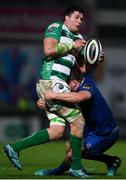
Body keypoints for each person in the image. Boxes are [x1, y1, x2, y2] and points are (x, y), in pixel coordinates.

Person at [3, 6, 89, 178]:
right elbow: (48, 50)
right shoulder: (56, 28)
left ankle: (14, 148)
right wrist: (72, 45)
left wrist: (92, 56)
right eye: (77, 17)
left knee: (57, 130)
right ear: (66, 17)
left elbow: (82, 70)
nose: (80, 21)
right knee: (78, 121)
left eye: (82, 19)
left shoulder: (79, 38)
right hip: (51, 82)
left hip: (58, 85)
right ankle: (76, 168)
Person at [34, 66, 121, 177]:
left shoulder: (87, 86)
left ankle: (57, 171)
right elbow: (60, 106)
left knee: (75, 152)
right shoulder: (73, 91)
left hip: (106, 133)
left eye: (66, 85)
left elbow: (80, 97)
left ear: (74, 83)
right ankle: (111, 161)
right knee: (69, 146)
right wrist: (42, 102)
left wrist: (54, 95)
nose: (64, 88)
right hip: (91, 130)